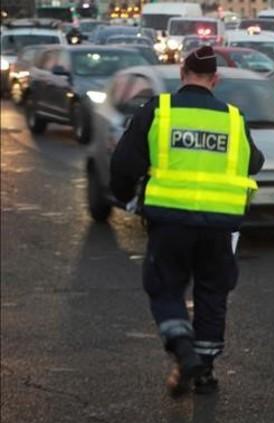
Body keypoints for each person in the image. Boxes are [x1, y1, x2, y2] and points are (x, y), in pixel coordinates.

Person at [110, 45, 264, 397]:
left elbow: (124, 163)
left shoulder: (159, 111)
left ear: (182, 74)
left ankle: (183, 349)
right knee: (212, 292)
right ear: (216, 79)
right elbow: (254, 163)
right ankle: (205, 370)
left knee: (165, 287)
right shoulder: (232, 118)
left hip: (170, 222)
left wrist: (125, 198)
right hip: (218, 225)